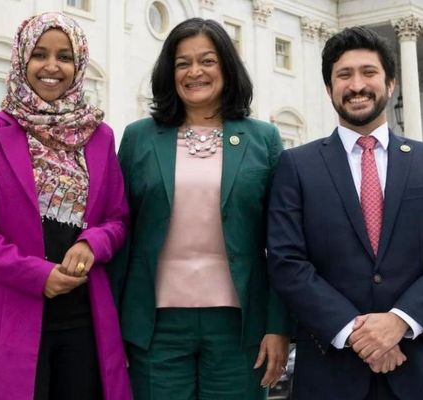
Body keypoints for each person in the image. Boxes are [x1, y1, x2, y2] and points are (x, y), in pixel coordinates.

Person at [266, 26, 423, 399]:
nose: (357, 85)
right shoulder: (296, 166)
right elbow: (286, 260)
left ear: (390, 83)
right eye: (344, 75)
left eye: (369, 72)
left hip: (422, 369)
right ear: (330, 89)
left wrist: (399, 322)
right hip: (332, 372)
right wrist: (355, 333)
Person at [109, 17, 291, 400]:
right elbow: (120, 231)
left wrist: (278, 325)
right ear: (169, 73)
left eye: (207, 60)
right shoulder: (138, 138)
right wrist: (110, 325)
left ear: (226, 66)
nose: (195, 72)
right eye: (182, 63)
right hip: (154, 327)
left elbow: (282, 242)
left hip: (239, 327)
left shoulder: (264, 139)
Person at [0, 12, 131, 400]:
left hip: (85, 321)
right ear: (22, 60)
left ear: (78, 63)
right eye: (40, 54)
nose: (52, 67)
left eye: (65, 56)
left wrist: (92, 243)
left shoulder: (100, 135)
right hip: (13, 312)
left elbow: (117, 218)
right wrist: (37, 275)